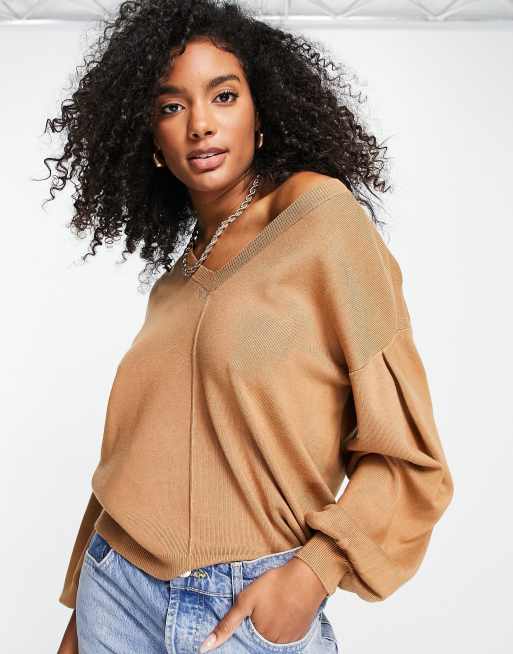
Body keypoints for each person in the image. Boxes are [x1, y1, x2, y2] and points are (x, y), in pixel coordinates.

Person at [43, 1, 454, 653]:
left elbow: (406, 452)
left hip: (244, 607)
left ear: (261, 113)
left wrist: (312, 575)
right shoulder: (178, 282)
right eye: (171, 106)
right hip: (116, 592)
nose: (200, 124)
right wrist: (78, 619)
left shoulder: (320, 220)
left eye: (224, 95)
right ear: (152, 139)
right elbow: (131, 462)